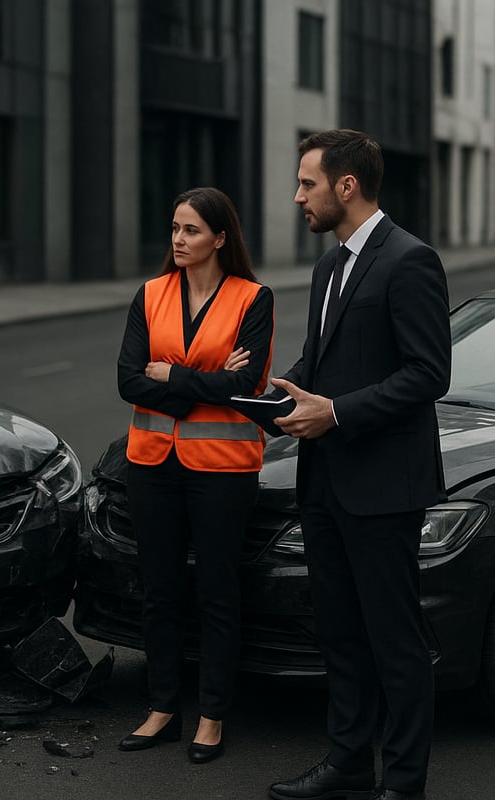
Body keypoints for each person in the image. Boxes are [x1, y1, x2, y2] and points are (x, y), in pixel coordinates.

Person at [266, 129, 450, 800]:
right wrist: (263, 399)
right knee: (340, 635)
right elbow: (319, 365)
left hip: (382, 488)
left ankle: (403, 784)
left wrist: (336, 413)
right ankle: (347, 765)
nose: (297, 197)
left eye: (307, 183)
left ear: (346, 186)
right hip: (324, 483)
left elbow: (428, 374)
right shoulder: (328, 268)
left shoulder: (410, 260)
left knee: (395, 642)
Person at [115, 187, 274, 765]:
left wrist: (171, 376)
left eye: (191, 230)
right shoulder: (150, 293)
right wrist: (203, 383)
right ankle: (162, 708)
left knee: (216, 593)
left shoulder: (253, 299)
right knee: (159, 592)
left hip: (223, 470)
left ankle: (212, 716)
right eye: (175, 229)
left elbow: (246, 384)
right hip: (152, 464)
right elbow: (129, 380)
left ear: (220, 238)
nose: (179, 240)